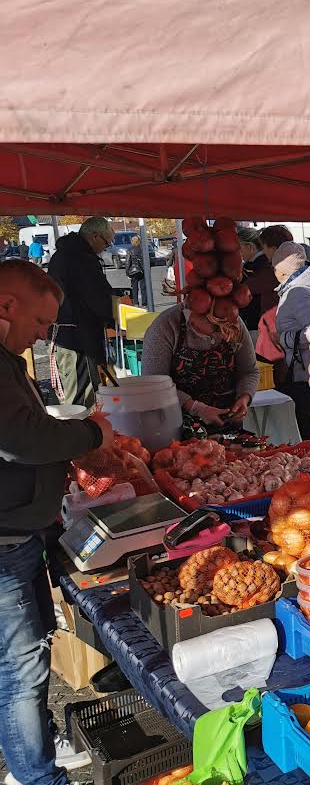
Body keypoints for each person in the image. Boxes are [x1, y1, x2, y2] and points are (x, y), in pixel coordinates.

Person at [0, 261, 112, 785]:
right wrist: (90, 436)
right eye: (43, 323)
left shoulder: (7, 360)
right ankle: (36, 775)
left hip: (20, 534)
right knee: (20, 674)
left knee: (27, 661)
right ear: (8, 306)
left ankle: (34, 751)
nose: (45, 336)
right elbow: (21, 440)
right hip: (4, 542)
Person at [141, 302, 259, 429]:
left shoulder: (232, 321)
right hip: (177, 426)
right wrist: (196, 408)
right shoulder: (165, 326)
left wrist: (244, 397)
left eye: (219, 329)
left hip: (228, 425)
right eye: (213, 328)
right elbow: (153, 385)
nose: (214, 337)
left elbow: (249, 371)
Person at [47, 216, 116, 408]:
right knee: (80, 396)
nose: (105, 248)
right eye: (106, 243)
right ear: (95, 237)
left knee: (81, 392)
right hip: (76, 336)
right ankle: (83, 433)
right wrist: (114, 315)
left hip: (72, 332)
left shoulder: (65, 254)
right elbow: (96, 297)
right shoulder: (80, 258)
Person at [273, 242, 310, 438]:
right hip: (305, 370)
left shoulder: (297, 293)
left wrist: (283, 338)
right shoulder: (296, 289)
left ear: (282, 272)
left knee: (308, 425)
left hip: (306, 374)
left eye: (274, 268)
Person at [238, 227, 278, 337]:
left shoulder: (259, 266)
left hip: (258, 322)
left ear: (250, 246)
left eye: (239, 248)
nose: (238, 252)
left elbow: (248, 288)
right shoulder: (255, 264)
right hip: (258, 321)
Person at [125, 234, 146, 307]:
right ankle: (144, 303)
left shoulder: (129, 250)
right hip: (142, 270)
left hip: (133, 271)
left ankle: (136, 303)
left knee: (134, 288)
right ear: (139, 241)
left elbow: (127, 262)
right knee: (143, 287)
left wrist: (127, 273)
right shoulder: (143, 249)